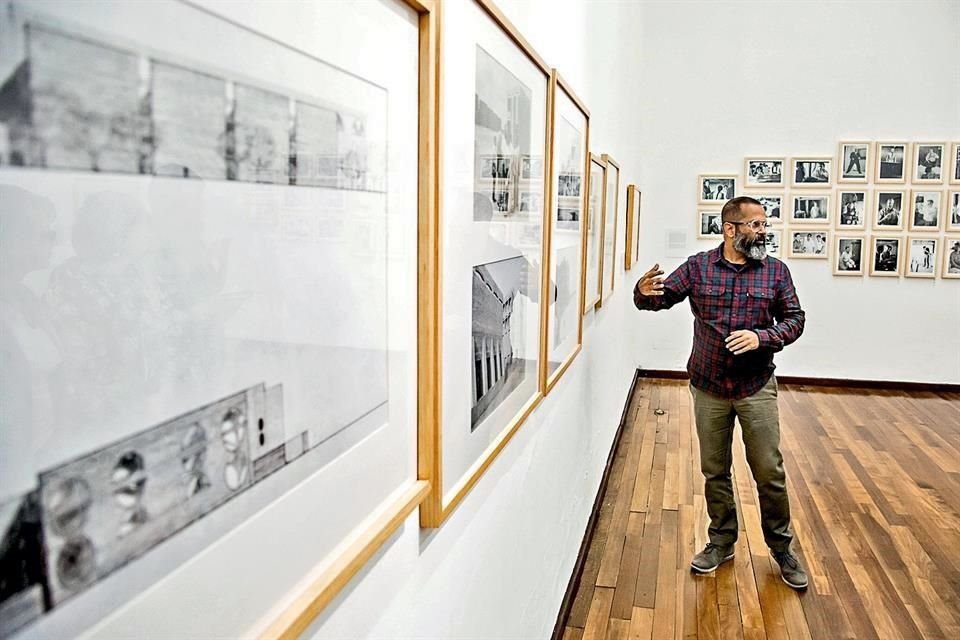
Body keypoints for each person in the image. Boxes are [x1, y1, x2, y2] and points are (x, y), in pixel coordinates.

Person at [633, 196, 808, 590]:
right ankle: (721, 541)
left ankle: (781, 549)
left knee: (769, 472)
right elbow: (657, 300)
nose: (764, 231)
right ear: (730, 230)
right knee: (715, 471)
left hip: (756, 386)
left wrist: (762, 336)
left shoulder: (775, 272)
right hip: (709, 386)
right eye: (756, 224)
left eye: (764, 224)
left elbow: (795, 320)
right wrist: (643, 292)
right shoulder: (698, 267)